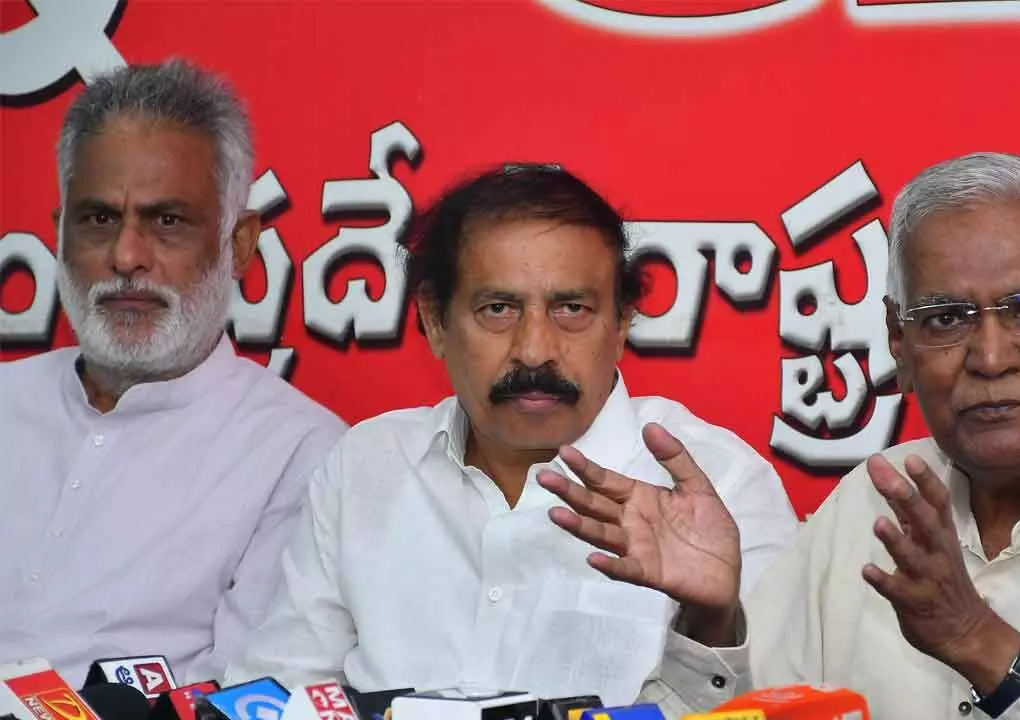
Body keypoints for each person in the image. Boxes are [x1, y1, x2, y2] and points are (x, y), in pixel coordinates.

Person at [547, 152, 1020, 719]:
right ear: (898, 345)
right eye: (946, 320)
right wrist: (712, 624)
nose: (991, 358)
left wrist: (986, 647)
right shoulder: (867, 506)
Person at [227, 165, 798, 713]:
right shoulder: (367, 468)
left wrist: (712, 624)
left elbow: (790, 706)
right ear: (433, 321)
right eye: (498, 309)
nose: (534, 350)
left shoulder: (723, 488)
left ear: (622, 323)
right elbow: (278, 692)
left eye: (571, 309)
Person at [0, 60, 346, 684]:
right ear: (58, 236)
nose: (126, 257)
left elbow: (246, 694)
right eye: (99, 219)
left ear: (238, 244)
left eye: (167, 221)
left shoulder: (300, 453)